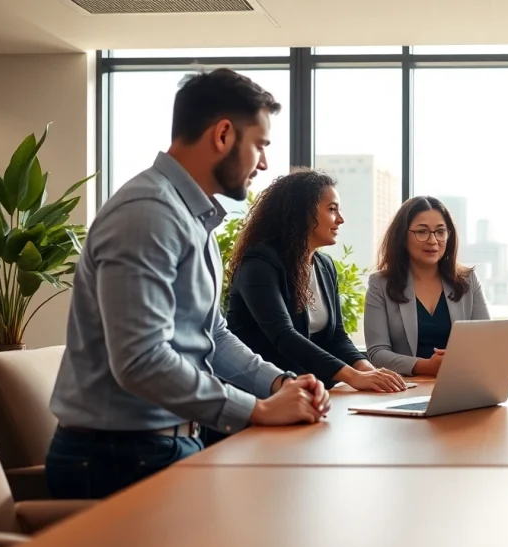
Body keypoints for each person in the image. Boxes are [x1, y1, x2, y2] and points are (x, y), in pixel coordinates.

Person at [45, 68, 330, 500]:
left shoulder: (191, 217)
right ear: (222, 135)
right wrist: (257, 410)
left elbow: (211, 333)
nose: (265, 163)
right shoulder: (149, 213)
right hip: (118, 459)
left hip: (162, 445)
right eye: (261, 145)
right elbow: (141, 360)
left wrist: (280, 384)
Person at [225, 168, 407, 394]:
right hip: (261, 393)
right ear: (302, 213)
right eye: (332, 210)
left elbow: (337, 336)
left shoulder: (324, 265)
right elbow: (284, 336)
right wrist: (353, 377)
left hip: (311, 392)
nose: (340, 219)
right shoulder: (260, 262)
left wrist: (368, 371)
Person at [364, 196, 490, 376]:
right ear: (402, 236)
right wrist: (426, 366)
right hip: (404, 388)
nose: (433, 240)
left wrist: (458, 358)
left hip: (461, 382)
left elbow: (486, 340)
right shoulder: (380, 284)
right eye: (422, 232)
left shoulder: (467, 280)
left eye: (440, 231)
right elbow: (377, 353)